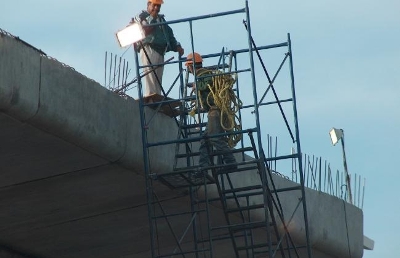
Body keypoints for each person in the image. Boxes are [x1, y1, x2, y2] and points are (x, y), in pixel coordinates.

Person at [185, 52, 238, 178]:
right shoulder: (202, 75)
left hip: (215, 111)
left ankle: (230, 162)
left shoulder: (204, 74)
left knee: (214, 137)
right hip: (213, 111)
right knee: (206, 139)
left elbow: (207, 83)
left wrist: (197, 84)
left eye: (188, 66)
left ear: (191, 66)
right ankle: (204, 168)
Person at [133, 0, 184, 97]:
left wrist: (177, 46)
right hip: (149, 48)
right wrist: (152, 17)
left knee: (157, 79)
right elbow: (144, 28)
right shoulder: (142, 15)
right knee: (150, 76)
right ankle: (151, 96)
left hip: (161, 51)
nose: (156, 8)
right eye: (154, 5)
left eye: (158, 6)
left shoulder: (161, 20)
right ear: (148, 4)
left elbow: (169, 35)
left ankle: (156, 97)